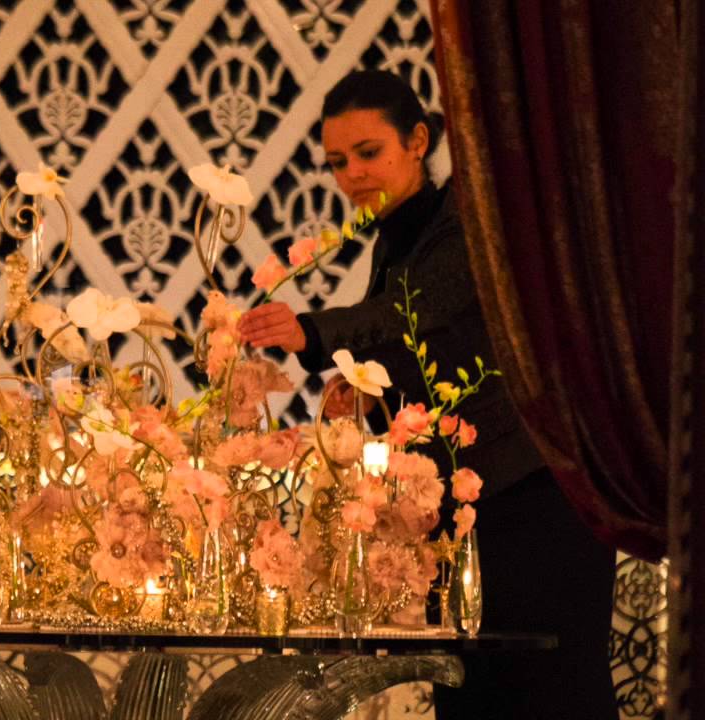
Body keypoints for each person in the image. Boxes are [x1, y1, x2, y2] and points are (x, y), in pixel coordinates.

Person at [239, 70, 618, 719]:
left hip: (535, 494)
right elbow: (422, 347)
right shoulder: (395, 242)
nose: (353, 174)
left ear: (417, 141)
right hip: (466, 506)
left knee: (551, 687)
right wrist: (363, 387)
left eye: (368, 152)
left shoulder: (470, 217)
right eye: (338, 162)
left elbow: (417, 309)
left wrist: (312, 333)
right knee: (469, 687)